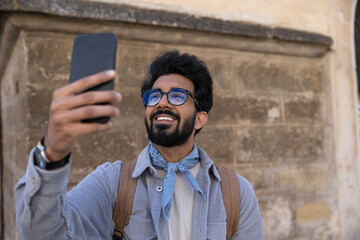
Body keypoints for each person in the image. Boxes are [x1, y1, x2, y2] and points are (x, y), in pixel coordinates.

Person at [15, 50, 264, 239]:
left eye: (177, 96)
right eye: (154, 96)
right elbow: (41, 232)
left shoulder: (236, 192)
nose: (162, 103)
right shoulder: (111, 183)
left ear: (200, 118)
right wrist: (53, 154)